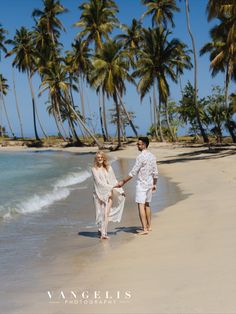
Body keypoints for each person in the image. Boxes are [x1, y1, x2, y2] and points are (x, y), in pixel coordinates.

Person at [115, 137, 158, 235]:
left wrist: (123, 181)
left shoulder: (140, 157)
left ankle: (144, 229)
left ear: (144, 145)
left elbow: (133, 172)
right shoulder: (152, 156)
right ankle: (149, 226)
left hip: (142, 185)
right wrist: (155, 184)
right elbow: (156, 172)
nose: (137, 146)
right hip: (150, 183)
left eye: (139, 144)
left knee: (141, 205)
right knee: (147, 204)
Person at [91, 151, 125, 239]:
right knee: (100, 213)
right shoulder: (94, 169)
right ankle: (101, 229)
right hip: (98, 193)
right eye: (98, 157)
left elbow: (114, 179)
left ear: (104, 158)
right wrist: (112, 186)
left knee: (106, 213)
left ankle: (104, 233)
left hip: (109, 193)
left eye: (101, 157)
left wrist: (120, 190)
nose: (100, 159)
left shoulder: (109, 168)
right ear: (96, 159)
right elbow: (98, 182)